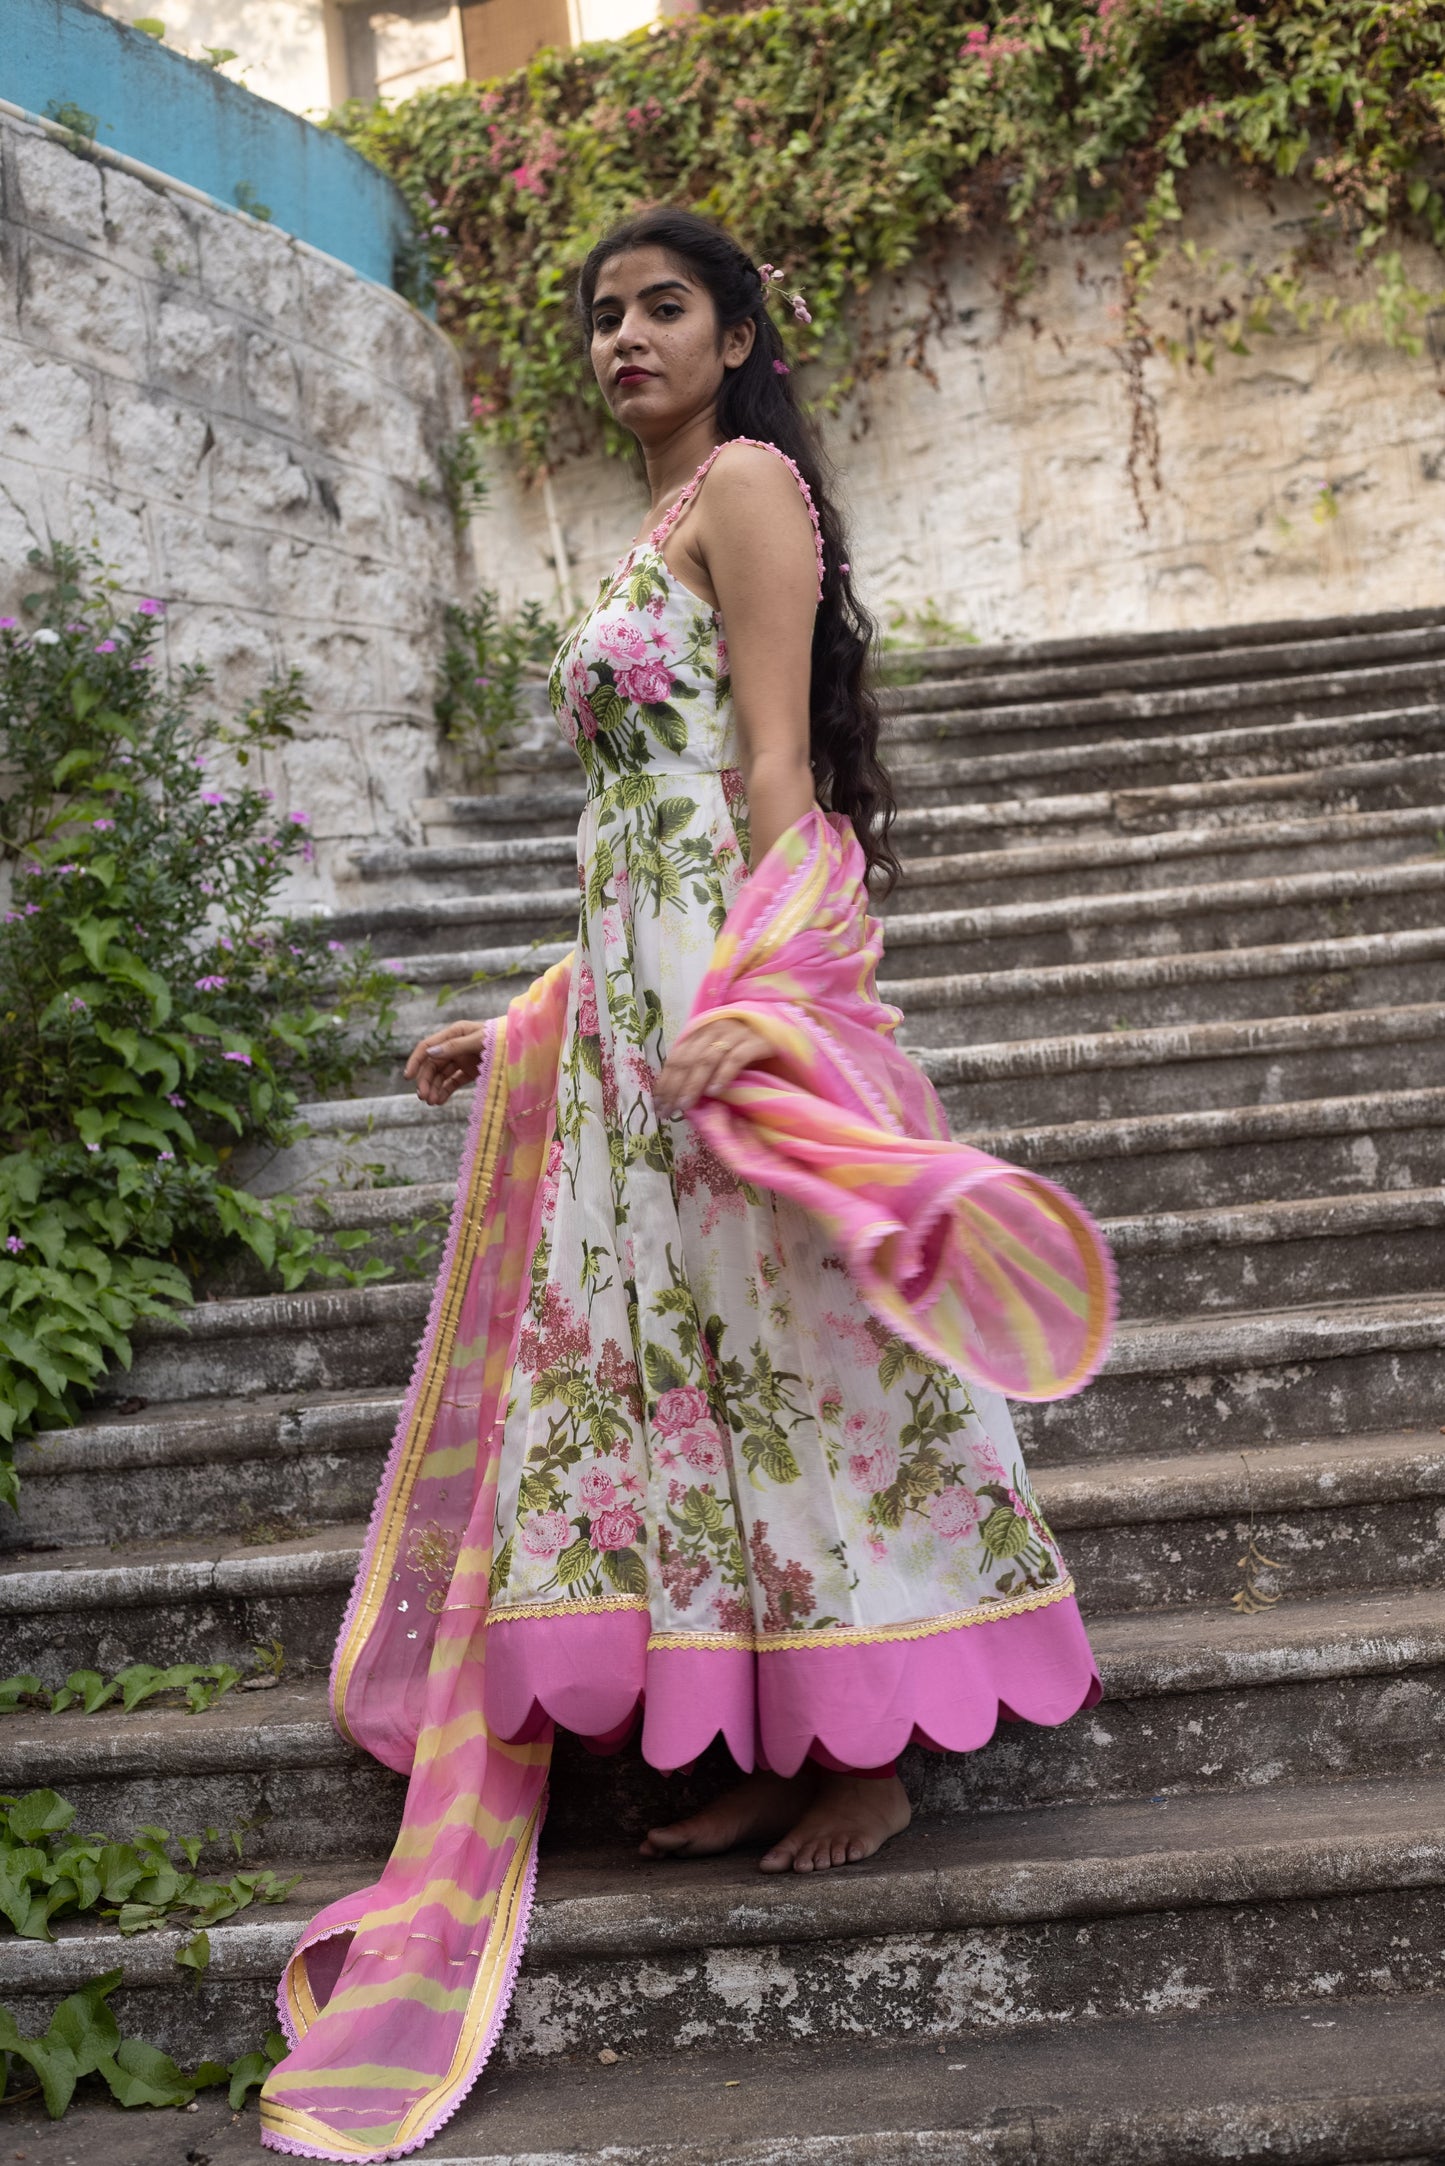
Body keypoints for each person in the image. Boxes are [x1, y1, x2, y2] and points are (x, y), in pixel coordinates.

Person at [403, 206, 1102, 1873]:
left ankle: (875, 1751)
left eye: (665, 307)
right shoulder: (656, 520)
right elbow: (642, 830)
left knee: (795, 1342)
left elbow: (774, 774)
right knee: (702, 1375)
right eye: (601, 314)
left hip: (727, 1001)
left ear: (736, 338)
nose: (625, 335)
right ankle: (795, 1734)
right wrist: (529, 1016)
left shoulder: (742, 489)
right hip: (638, 1013)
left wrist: (771, 998)